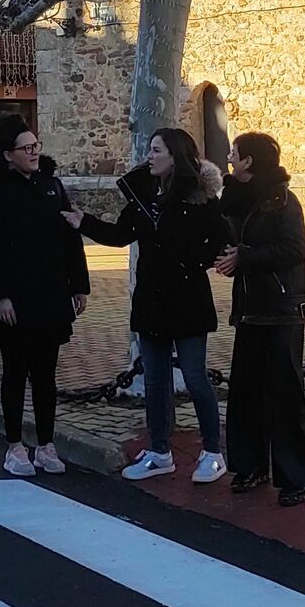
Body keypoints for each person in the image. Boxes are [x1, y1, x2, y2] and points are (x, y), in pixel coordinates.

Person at [63, 128, 229, 484]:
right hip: (151, 299)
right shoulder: (143, 194)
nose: (149, 156)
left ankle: (213, 452)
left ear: (175, 155)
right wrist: (84, 223)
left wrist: (192, 263)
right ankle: (159, 452)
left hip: (188, 300)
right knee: (155, 380)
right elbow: (122, 235)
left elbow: (221, 239)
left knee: (196, 377)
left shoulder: (200, 197)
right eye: (150, 150)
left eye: (156, 150)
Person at [0, 114, 89, 477]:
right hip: (14, 299)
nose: (34, 152)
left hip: (50, 294)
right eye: (27, 148)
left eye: (36, 146)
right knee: (15, 371)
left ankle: (46, 444)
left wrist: (79, 284)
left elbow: (70, 236)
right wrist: (0, 295)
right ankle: (14, 445)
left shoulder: (51, 186)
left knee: (45, 374)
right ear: (8, 154)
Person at [216, 131, 305, 506]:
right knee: (245, 394)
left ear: (250, 161)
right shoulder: (232, 200)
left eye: (235, 152)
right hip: (248, 310)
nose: (229, 156)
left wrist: (244, 257)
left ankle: (302, 475)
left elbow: (293, 250)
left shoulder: (283, 200)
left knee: (286, 396)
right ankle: (250, 466)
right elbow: (221, 240)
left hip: (281, 310)